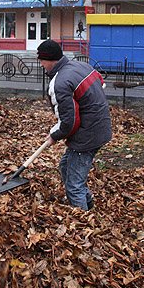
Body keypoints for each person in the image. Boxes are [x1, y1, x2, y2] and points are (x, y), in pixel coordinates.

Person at [37, 39, 112, 211]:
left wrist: (55, 135)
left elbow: (69, 122)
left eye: (42, 60)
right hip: (99, 126)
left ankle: (83, 220)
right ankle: (88, 205)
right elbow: (101, 83)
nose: (41, 64)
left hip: (88, 135)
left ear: (50, 59)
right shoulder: (81, 66)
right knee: (65, 166)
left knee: (74, 185)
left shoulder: (60, 82)